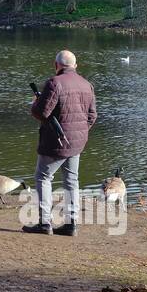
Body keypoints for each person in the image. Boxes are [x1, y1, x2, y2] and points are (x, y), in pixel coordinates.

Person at [23, 49, 97, 237]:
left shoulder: (54, 83)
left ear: (56, 65)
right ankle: (71, 224)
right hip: (77, 142)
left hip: (55, 142)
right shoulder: (87, 84)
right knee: (72, 181)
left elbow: (41, 113)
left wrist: (34, 103)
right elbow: (92, 116)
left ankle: (44, 223)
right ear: (75, 66)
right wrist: (79, 132)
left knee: (43, 177)